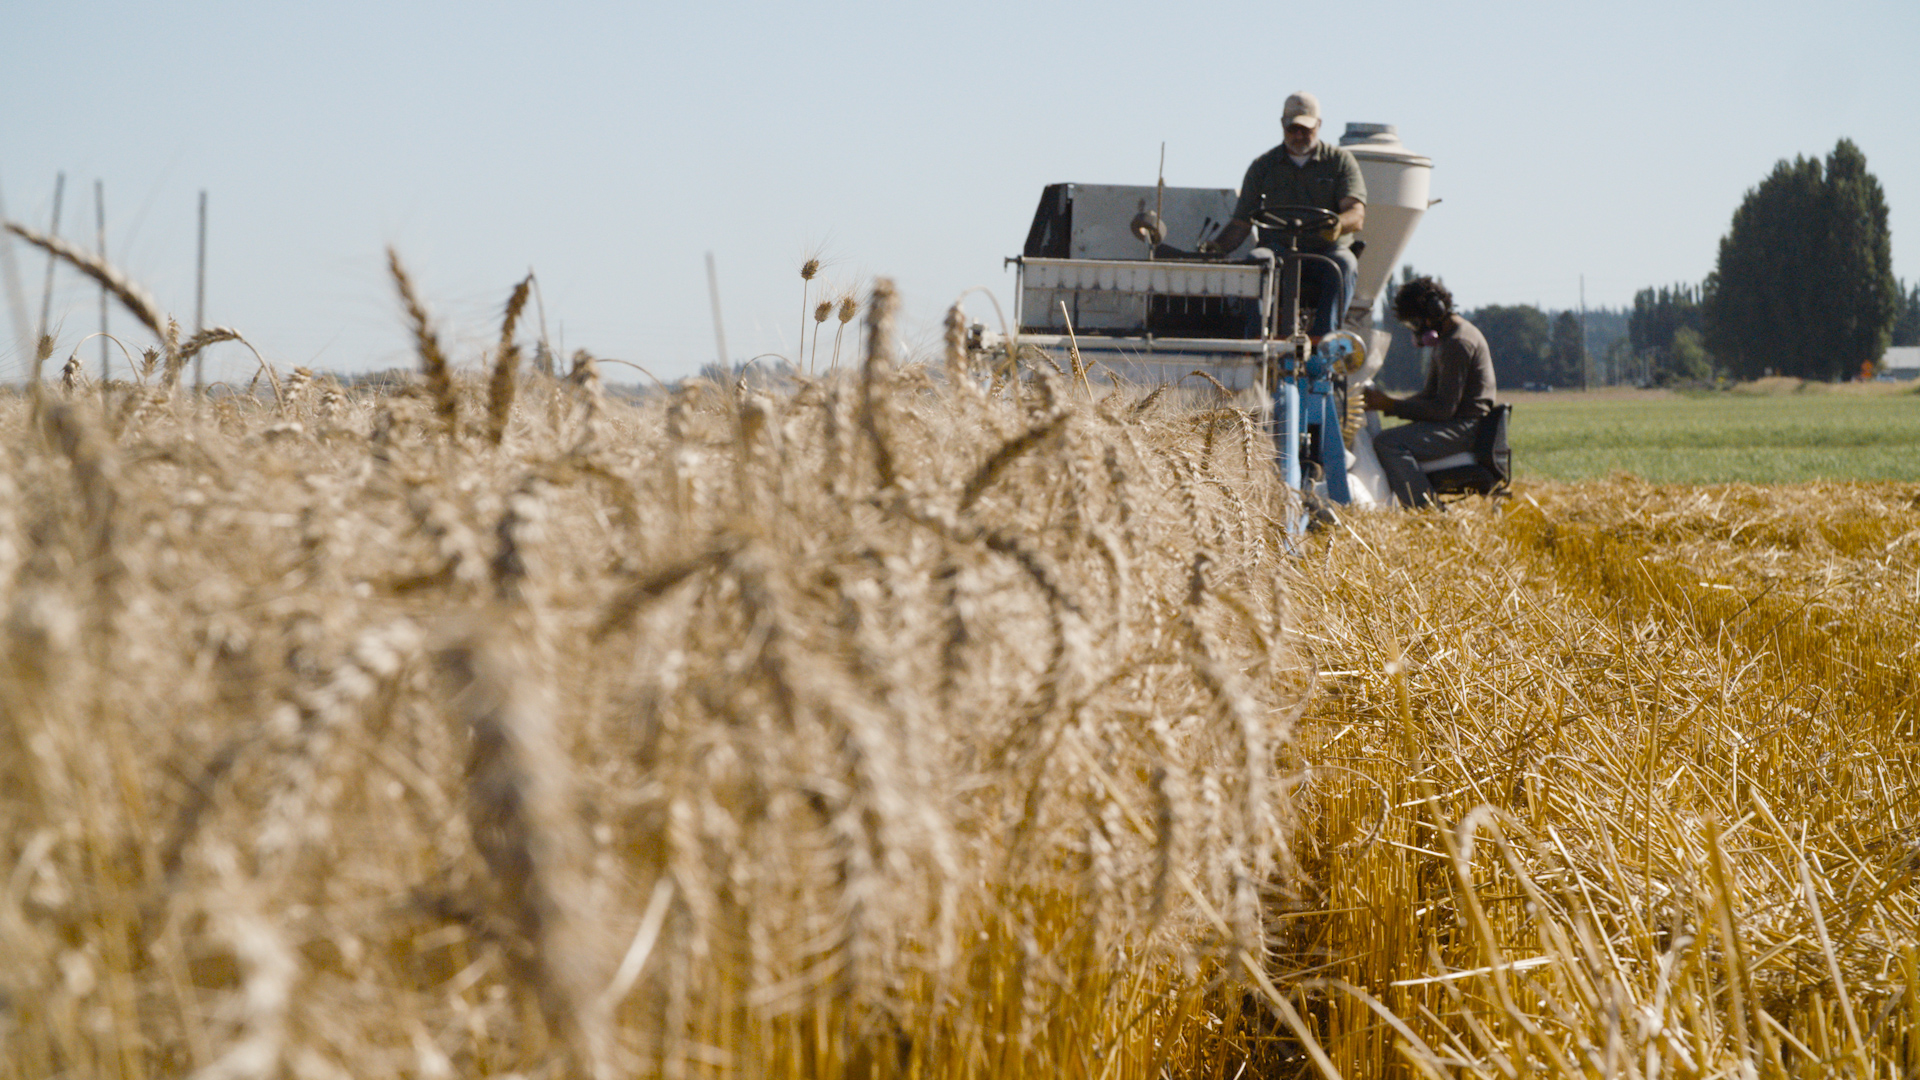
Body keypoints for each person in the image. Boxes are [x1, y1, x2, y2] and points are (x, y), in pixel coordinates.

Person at [1198, 91, 1366, 338]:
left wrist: (1338, 225)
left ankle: (1324, 340)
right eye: (1292, 129)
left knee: (1344, 264)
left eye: (1305, 129)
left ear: (1319, 125)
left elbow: (1356, 213)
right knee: (1257, 260)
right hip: (1278, 251)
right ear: (1282, 125)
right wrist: (1215, 248)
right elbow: (1241, 222)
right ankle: (1257, 338)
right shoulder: (1263, 166)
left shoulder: (1340, 162)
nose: (1298, 135)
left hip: (1324, 251)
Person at [1362, 276, 1498, 508]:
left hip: (1466, 429)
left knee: (1388, 443)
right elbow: (1429, 397)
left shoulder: (1457, 343)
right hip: (1462, 424)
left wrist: (1390, 405)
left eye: (1414, 323)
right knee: (1390, 438)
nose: (1415, 331)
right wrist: (1391, 402)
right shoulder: (1449, 339)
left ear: (1432, 314)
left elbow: (1443, 410)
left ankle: (1426, 510)